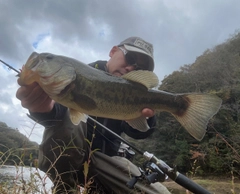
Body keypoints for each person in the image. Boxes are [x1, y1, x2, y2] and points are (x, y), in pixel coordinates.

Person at [16, 37, 171, 194]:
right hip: (71, 158)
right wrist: (43, 109)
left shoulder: (134, 92)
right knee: (68, 119)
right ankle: (65, 189)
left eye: (140, 68)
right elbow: (56, 114)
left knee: (160, 193)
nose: (131, 67)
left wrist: (147, 117)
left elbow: (137, 132)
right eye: (130, 58)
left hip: (107, 163)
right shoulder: (78, 74)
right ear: (113, 51)